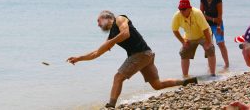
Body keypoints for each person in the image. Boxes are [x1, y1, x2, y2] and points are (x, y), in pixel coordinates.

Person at [67, 10, 198, 108]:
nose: (98, 25)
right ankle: (186, 82)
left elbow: (126, 33)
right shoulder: (111, 35)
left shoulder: (120, 19)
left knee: (118, 77)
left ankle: (111, 106)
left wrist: (109, 42)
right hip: (147, 55)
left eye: (98, 21)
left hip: (140, 54)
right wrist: (79, 58)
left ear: (107, 17)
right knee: (157, 85)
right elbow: (96, 53)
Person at [172, 0, 216, 78]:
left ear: (189, 8)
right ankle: (185, 76)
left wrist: (208, 42)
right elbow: (175, 30)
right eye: (180, 9)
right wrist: (183, 42)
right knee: (184, 52)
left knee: (210, 49)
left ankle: (212, 74)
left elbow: (205, 29)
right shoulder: (177, 15)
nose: (182, 11)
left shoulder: (197, 13)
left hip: (204, 35)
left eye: (184, 9)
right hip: (190, 37)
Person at [200, 0, 230, 70]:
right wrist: (210, 19)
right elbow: (201, 14)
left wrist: (218, 26)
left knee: (221, 43)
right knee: (209, 45)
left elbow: (219, 16)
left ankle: (227, 64)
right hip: (206, 25)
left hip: (217, 24)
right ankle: (210, 65)